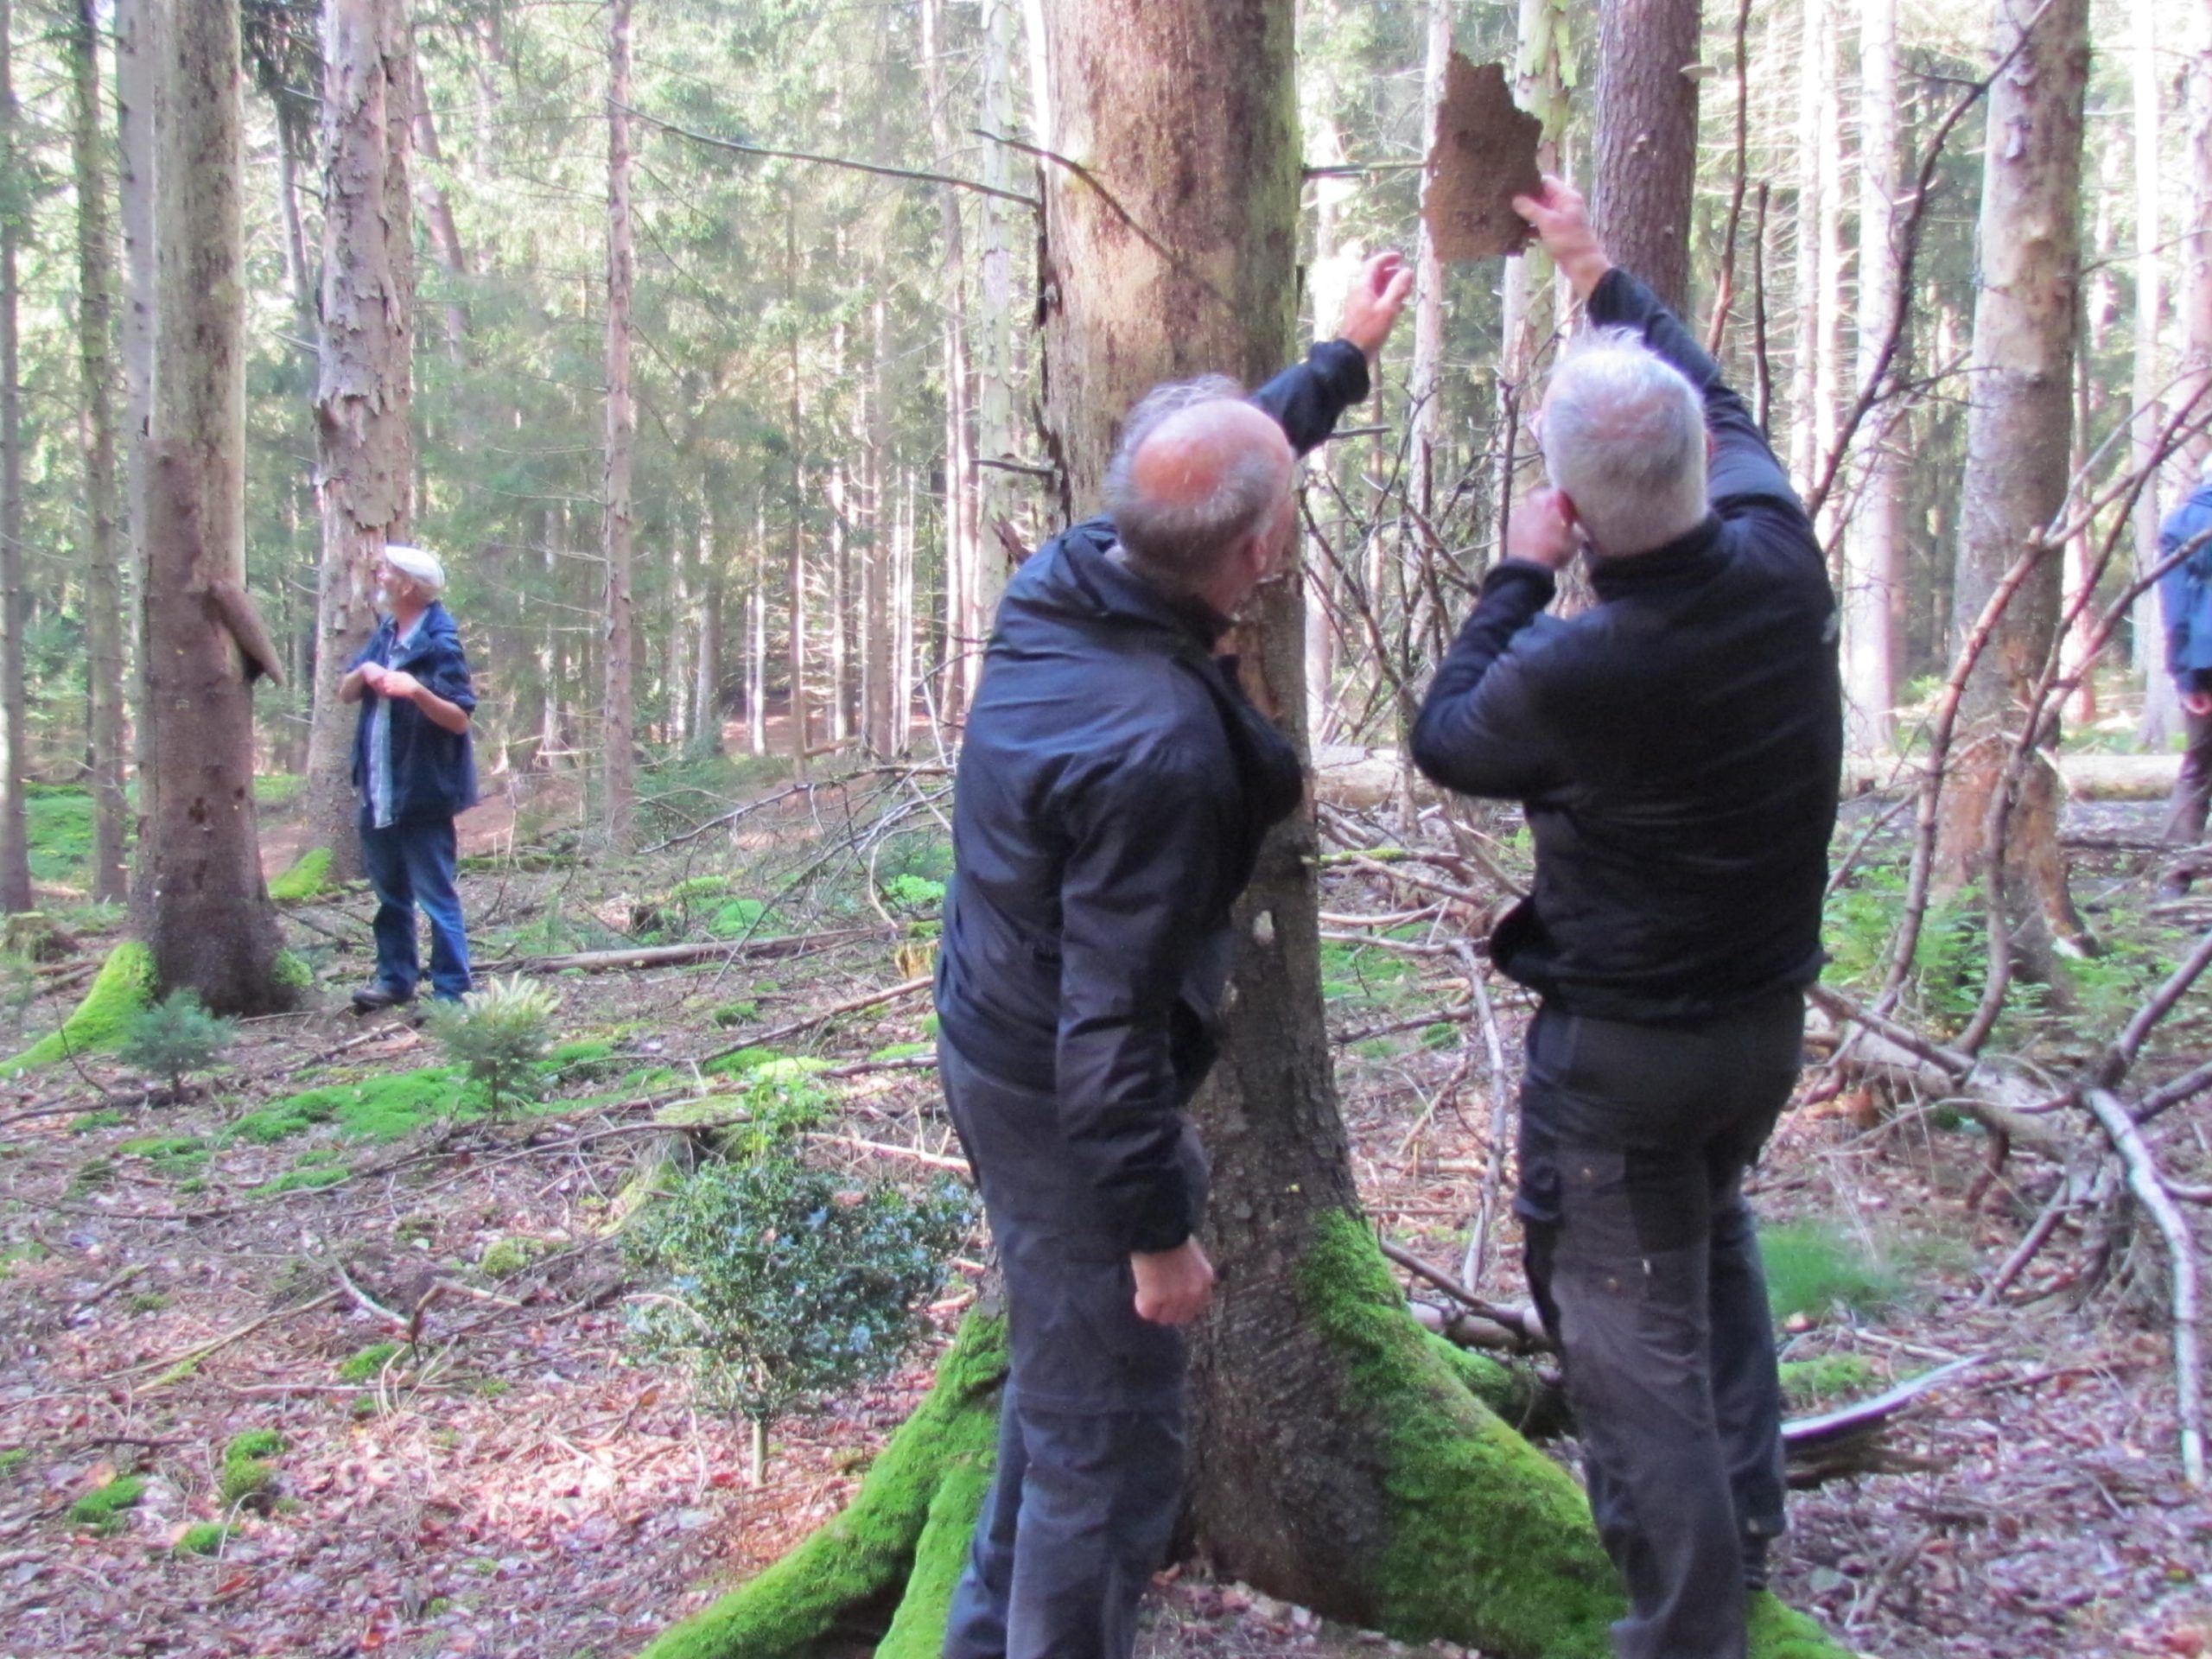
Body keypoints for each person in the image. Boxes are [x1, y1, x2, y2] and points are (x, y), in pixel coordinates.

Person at [933, 251, 1412, 1659]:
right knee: (1112, 1453)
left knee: (1060, 1387)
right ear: (1257, 553)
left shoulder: (1070, 578)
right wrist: (1154, 1236)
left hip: (993, 1030)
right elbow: (1111, 1039)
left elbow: (1210, 481)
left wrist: (1339, 359)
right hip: (1060, 1094)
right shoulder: (1161, 757)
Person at [1410, 180, 1841, 1659]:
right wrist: (1594, 267)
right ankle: (1752, 1528)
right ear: (1704, 478)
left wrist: (1519, 570)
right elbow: (1711, 396)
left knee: (1629, 1346)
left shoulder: (1581, 667)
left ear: (1581, 505)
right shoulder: (1782, 564)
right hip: (1758, 1031)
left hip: (1628, 1059)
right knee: (1710, 1248)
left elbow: (1449, 737)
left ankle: (1685, 1628)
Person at [338, 544, 479, 1011]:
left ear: (408, 586)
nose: (378, 575)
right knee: (389, 896)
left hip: (422, 793)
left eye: (387, 571)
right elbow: (345, 691)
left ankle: (451, 993)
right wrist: (367, 670)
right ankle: (395, 980)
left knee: (437, 898)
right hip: (379, 790)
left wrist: (417, 691)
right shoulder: (386, 633)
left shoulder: (440, 641)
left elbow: (459, 718)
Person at [2156, 456, 2212, 898]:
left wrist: (2185, 676)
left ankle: (2174, 879)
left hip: (2206, 662)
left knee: (2198, 769)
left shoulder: (2184, 522)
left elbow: (2176, 610)